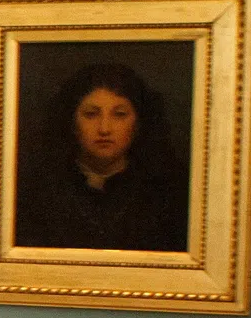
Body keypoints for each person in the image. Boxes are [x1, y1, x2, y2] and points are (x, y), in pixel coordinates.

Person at [14, 61, 189, 251]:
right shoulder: (37, 191)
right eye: (91, 114)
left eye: (119, 115)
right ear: (72, 122)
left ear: (138, 123)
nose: (104, 129)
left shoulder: (168, 193)